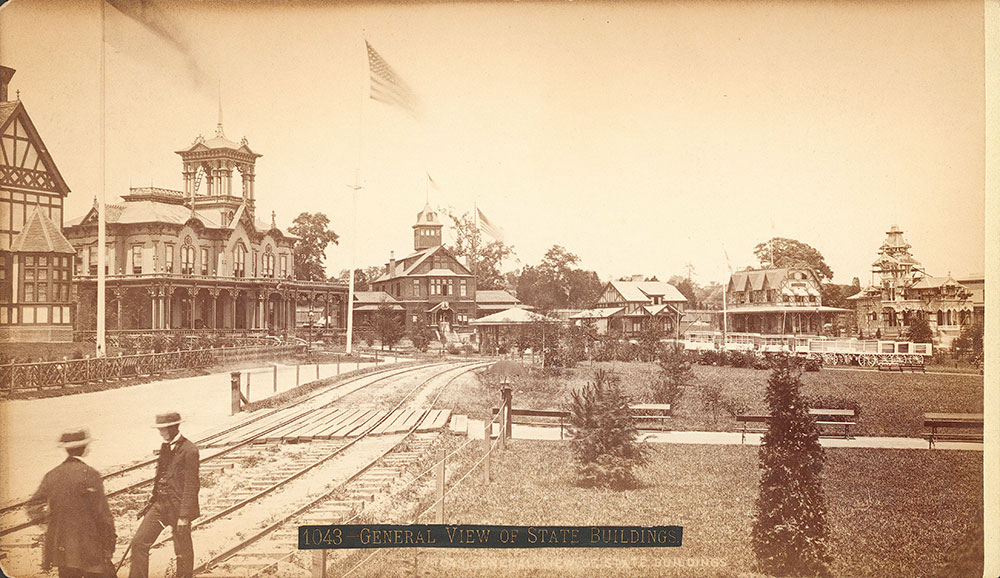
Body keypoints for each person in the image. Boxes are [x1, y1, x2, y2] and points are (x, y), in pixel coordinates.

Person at [27, 428, 116, 578]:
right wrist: (109, 545)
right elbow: (103, 516)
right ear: (84, 449)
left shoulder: (52, 475)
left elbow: (32, 506)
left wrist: (49, 524)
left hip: (62, 549)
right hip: (90, 547)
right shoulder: (91, 474)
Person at [129, 411, 200, 578]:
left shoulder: (190, 450)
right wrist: (151, 502)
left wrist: (184, 516)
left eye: (162, 429)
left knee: (182, 550)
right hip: (160, 505)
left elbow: (192, 485)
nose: (160, 432)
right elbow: (161, 476)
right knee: (139, 543)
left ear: (172, 428)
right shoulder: (165, 447)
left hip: (178, 507)